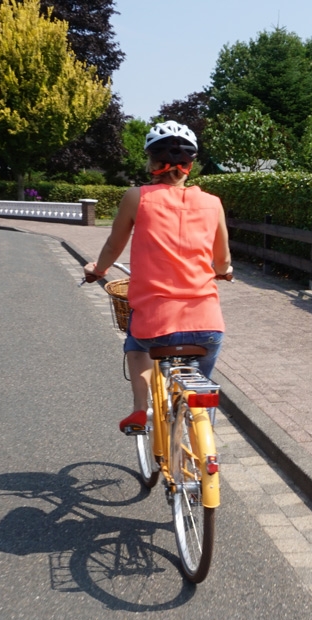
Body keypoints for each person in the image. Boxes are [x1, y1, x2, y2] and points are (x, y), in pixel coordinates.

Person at [82, 121, 233, 434]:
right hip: (206, 324)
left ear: (152, 164)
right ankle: (201, 441)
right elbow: (223, 261)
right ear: (190, 166)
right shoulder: (213, 203)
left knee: (135, 346)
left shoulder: (137, 197)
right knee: (200, 388)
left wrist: (98, 269)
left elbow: (114, 245)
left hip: (155, 325)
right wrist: (223, 271)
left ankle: (141, 410)